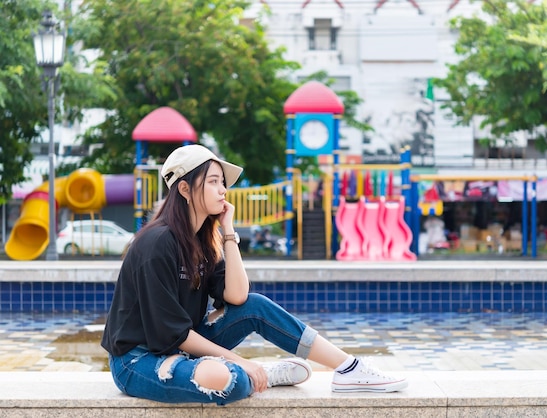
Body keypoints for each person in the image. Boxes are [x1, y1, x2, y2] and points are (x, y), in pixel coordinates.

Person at [101, 144, 407, 405]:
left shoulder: (201, 240)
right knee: (222, 377)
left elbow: (238, 297)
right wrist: (241, 361)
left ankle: (349, 368)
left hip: (178, 346)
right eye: (213, 182)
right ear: (184, 188)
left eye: (223, 182)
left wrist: (228, 232)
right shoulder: (157, 243)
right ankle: (265, 377)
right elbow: (173, 334)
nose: (223, 190)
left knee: (256, 306)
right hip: (139, 360)